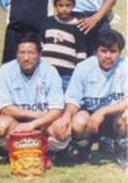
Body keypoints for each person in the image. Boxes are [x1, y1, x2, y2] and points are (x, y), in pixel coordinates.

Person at [51, 31, 127, 166]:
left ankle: (121, 149)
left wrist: (103, 111)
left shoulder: (124, 66)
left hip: (114, 115)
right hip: (91, 118)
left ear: (119, 52)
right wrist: (66, 117)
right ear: (96, 51)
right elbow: (73, 99)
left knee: (126, 116)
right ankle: (83, 150)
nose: (108, 56)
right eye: (103, 51)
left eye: (113, 51)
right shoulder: (84, 68)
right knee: (78, 122)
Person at [0, 33, 69, 155]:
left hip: (44, 123)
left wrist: (32, 124)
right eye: (22, 53)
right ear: (16, 54)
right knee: (0, 126)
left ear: (39, 54)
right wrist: (32, 116)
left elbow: (57, 110)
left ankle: (45, 151)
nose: (26, 58)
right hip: (17, 122)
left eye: (31, 53)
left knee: (62, 131)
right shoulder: (6, 70)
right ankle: (17, 150)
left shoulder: (50, 71)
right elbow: (5, 108)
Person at [40, 0, 88, 92]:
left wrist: (79, 75)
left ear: (74, 5)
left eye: (68, 5)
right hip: (45, 74)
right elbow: (40, 46)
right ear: (55, 5)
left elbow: (81, 54)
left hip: (67, 76)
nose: (64, 9)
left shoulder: (78, 26)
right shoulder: (47, 22)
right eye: (60, 5)